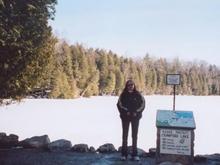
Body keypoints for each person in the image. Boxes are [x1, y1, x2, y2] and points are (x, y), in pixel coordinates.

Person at [117, 79, 145, 161]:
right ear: (126, 86)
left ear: (134, 85)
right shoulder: (123, 95)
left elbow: (143, 105)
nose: (131, 86)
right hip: (125, 118)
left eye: (132, 84)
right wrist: (126, 112)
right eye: (129, 85)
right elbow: (119, 105)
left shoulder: (138, 94)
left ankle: (134, 154)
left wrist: (136, 112)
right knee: (125, 136)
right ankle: (124, 154)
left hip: (135, 118)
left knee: (134, 136)